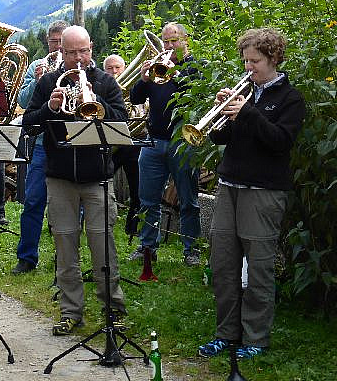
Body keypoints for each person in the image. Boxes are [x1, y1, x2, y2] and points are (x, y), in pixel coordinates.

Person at [198, 29, 305, 360]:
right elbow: (222, 139)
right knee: (223, 263)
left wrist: (247, 112)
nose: (248, 68)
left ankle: (256, 337)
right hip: (230, 185)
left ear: (273, 58)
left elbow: (280, 142)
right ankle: (226, 333)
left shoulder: (290, 99)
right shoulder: (246, 94)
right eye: (245, 61)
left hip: (263, 191)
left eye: (254, 61)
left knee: (258, 267)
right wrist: (220, 116)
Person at [22, 26, 129, 335]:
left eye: (83, 51)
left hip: (97, 177)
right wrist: (50, 108)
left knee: (103, 245)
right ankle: (71, 312)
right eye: (71, 53)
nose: (78, 59)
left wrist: (96, 101)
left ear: (91, 48)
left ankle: (113, 309)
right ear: (62, 52)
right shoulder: (48, 82)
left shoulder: (105, 81)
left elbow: (121, 121)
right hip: (60, 178)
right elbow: (29, 124)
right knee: (65, 246)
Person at [128, 22, 202, 266]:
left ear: (185, 40)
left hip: (183, 142)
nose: (168, 46)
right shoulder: (156, 67)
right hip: (153, 141)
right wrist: (143, 79)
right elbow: (135, 98)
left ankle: (191, 250)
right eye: (165, 41)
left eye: (173, 41)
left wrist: (175, 73)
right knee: (148, 199)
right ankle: (147, 246)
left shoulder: (195, 67)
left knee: (188, 200)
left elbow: (197, 95)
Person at [11, 19, 68, 274]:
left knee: (70, 206)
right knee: (33, 199)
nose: (57, 47)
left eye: (61, 42)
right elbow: (24, 101)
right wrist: (37, 81)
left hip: (69, 142)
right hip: (43, 142)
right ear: (48, 42)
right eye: (54, 42)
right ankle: (26, 257)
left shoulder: (77, 68)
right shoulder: (37, 65)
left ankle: (66, 257)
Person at [102, 53, 143, 242]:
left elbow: (142, 113)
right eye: (109, 68)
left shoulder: (135, 89)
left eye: (117, 68)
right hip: (110, 145)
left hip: (133, 145)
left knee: (137, 189)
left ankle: (133, 228)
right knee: (99, 182)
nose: (114, 71)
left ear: (125, 68)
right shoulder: (101, 90)